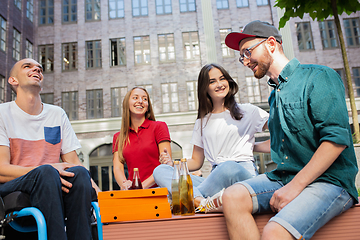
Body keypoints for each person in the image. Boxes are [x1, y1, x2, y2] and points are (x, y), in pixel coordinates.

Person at [222, 20, 359, 240]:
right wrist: (247, 146)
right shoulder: (275, 95)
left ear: (271, 44)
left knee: (275, 231)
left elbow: (336, 140)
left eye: (247, 52)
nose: (245, 61)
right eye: (241, 57)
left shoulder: (318, 77)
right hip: (286, 176)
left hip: (330, 181)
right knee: (232, 196)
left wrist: (295, 186)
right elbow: (279, 142)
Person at [0, 58, 100, 240]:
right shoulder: (2, 113)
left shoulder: (57, 114)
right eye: (27, 66)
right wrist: (47, 170)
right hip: (15, 185)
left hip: (51, 182)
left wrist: (104, 198)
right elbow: (1, 170)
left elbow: (74, 163)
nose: (36, 69)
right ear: (13, 80)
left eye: (39, 68)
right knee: (46, 171)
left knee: (79, 173)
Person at [153, 63, 270, 213]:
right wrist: (172, 164)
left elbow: (281, 135)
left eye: (222, 79)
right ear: (205, 88)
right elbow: (196, 161)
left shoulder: (248, 110)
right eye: (212, 81)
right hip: (213, 181)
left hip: (241, 175)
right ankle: (201, 201)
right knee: (160, 170)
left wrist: (253, 146)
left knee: (228, 167)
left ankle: (188, 198)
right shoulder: (202, 122)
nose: (220, 84)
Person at [112, 87, 171, 190]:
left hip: (160, 189)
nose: (140, 101)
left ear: (148, 107)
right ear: (127, 103)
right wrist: (124, 184)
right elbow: (118, 168)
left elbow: (165, 165)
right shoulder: (118, 137)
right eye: (135, 97)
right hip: (135, 192)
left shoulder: (159, 127)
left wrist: (141, 187)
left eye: (145, 99)